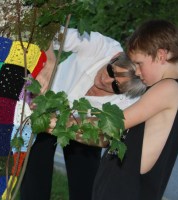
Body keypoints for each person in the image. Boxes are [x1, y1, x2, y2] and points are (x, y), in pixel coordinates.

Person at [20, 27, 146, 200]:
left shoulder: (131, 100)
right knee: (35, 170)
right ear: (115, 57)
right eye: (111, 71)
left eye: (116, 86)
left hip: (82, 129)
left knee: (85, 185)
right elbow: (47, 32)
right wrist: (50, 61)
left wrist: (62, 126)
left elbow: (104, 139)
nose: (106, 80)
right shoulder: (100, 46)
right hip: (43, 108)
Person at [92, 19, 178, 200]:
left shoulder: (169, 88)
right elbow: (108, 138)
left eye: (139, 64)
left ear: (161, 55)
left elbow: (114, 123)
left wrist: (61, 120)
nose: (137, 73)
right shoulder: (161, 90)